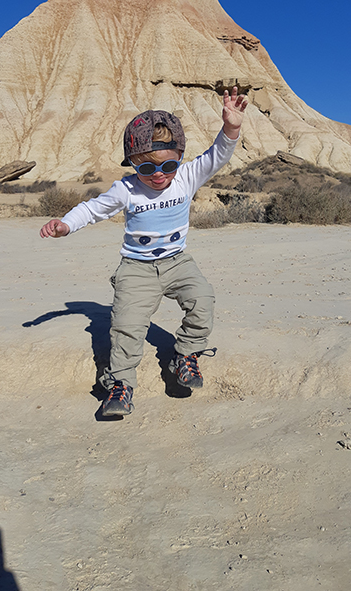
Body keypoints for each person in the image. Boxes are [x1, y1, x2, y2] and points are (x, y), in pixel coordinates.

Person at [40, 86, 248, 416]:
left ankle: (186, 356)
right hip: (136, 268)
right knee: (126, 325)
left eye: (169, 166)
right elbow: (93, 209)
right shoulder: (126, 189)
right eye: (147, 169)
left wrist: (231, 127)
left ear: (179, 158)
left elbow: (218, 154)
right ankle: (120, 385)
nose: (160, 176)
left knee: (203, 299)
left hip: (178, 261)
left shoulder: (187, 177)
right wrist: (66, 224)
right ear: (133, 164)